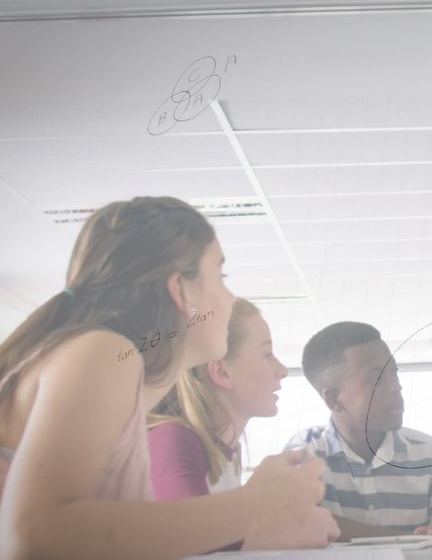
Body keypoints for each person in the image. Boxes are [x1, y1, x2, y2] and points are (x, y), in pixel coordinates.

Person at [0, 197, 336, 558]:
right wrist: (260, 505)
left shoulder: (108, 362)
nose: (229, 296)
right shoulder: (103, 352)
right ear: (182, 291)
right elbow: (35, 537)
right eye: (221, 277)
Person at [149, 298, 332, 550]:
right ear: (222, 372)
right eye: (267, 354)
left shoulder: (228, 451)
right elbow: (191, 541)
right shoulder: (171, 439)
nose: (282, 370)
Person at [288, 321, 432, 539]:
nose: (396, 387)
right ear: (334, 399)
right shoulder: (305, 453)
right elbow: (297, 524)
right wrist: (411, 540)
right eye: (376, 379)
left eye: (394, 373)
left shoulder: (431, 455)